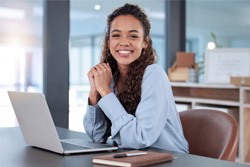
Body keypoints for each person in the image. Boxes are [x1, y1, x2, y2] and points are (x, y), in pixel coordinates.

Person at [83, 3, 189, 153]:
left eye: (133, 36)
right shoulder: (111, 77)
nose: (124, 42)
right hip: (133, 157)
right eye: (116, 35)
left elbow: (138, 139)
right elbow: (97, 136)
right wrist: (95, 92)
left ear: (145, 42)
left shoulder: (154, 75)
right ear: (108, 42)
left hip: (168, 159)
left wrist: (106, 92)